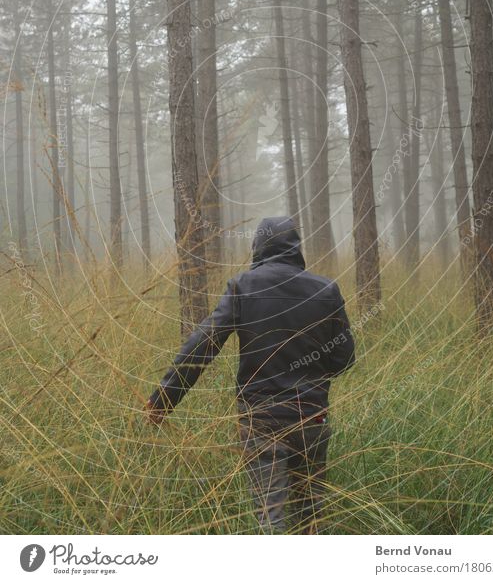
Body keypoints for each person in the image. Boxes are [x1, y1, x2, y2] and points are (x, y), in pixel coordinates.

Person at [146, 216, 355, 534]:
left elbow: (202, 345)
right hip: (313, 418)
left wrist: (163, 399)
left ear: (258, 247)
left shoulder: (243, 286)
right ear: (296, 247)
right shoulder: (326, 290)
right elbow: (344, 360)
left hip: (261, 420)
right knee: (311, 521)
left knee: (270, 521)